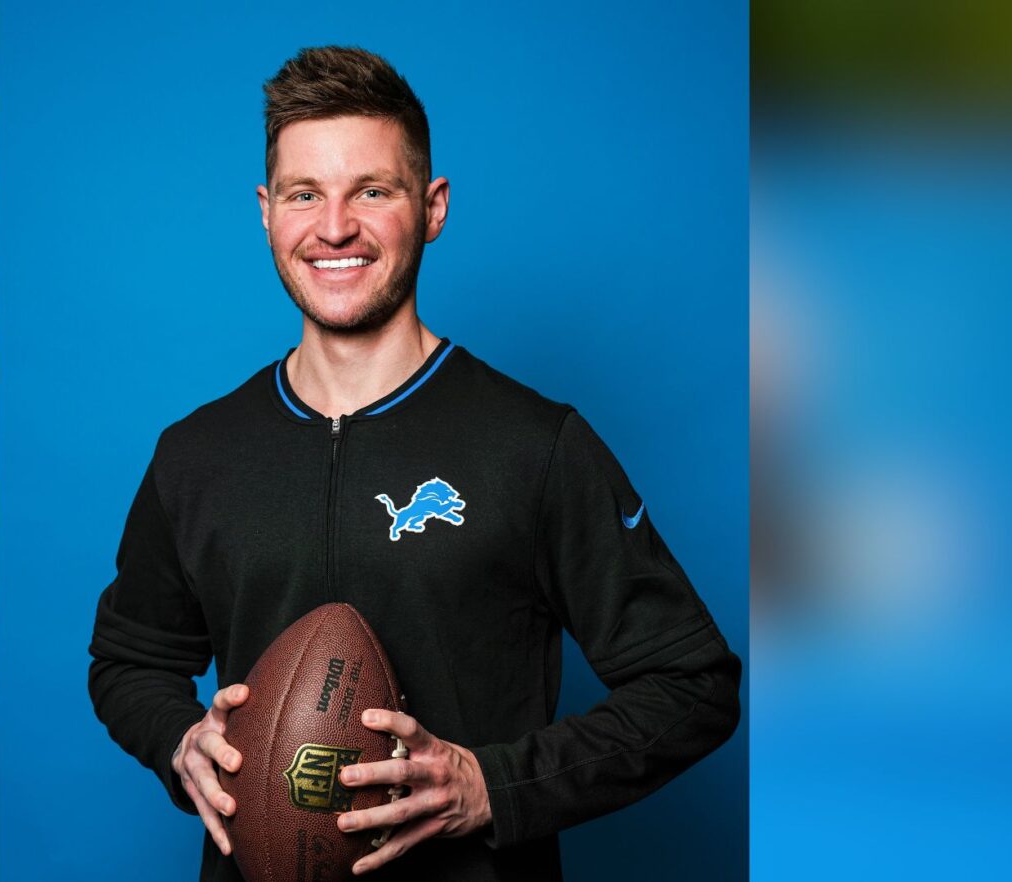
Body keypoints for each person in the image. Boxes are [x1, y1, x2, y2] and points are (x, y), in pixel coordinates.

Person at [88, 46, 741, 881]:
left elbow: (693, 684)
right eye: (303, 194)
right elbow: (129, 659)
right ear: (265, 211)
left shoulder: (535, 446)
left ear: (432, 207)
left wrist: (494, 786)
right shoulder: (197, 453)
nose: (333, 228)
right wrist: (180, 742)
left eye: (371, 190)